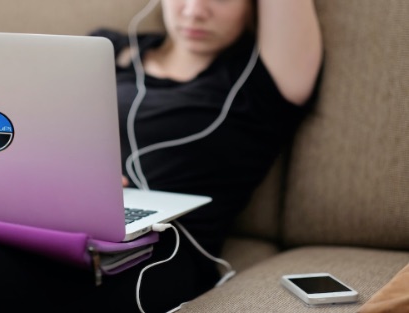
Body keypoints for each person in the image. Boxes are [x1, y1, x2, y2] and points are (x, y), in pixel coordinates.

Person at [81, 0, 324, 312]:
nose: (194, 11)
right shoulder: (108, 49)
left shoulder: (263, 77)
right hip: (68, 218)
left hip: (160, 250)